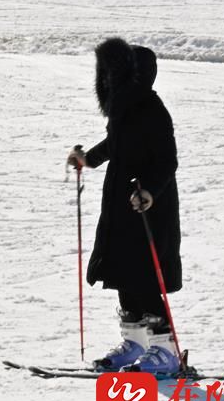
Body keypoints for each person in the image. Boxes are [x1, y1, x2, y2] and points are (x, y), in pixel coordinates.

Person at [67, 37, 182, 375]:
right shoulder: (124, 112)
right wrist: (88, 159)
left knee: (145, 277)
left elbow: (167, 160)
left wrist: (149, 191)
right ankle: (136, 343)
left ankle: (166, 351)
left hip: (149, 209)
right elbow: (114, 144)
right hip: (120, 203)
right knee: (122, 274)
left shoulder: (153, 111)